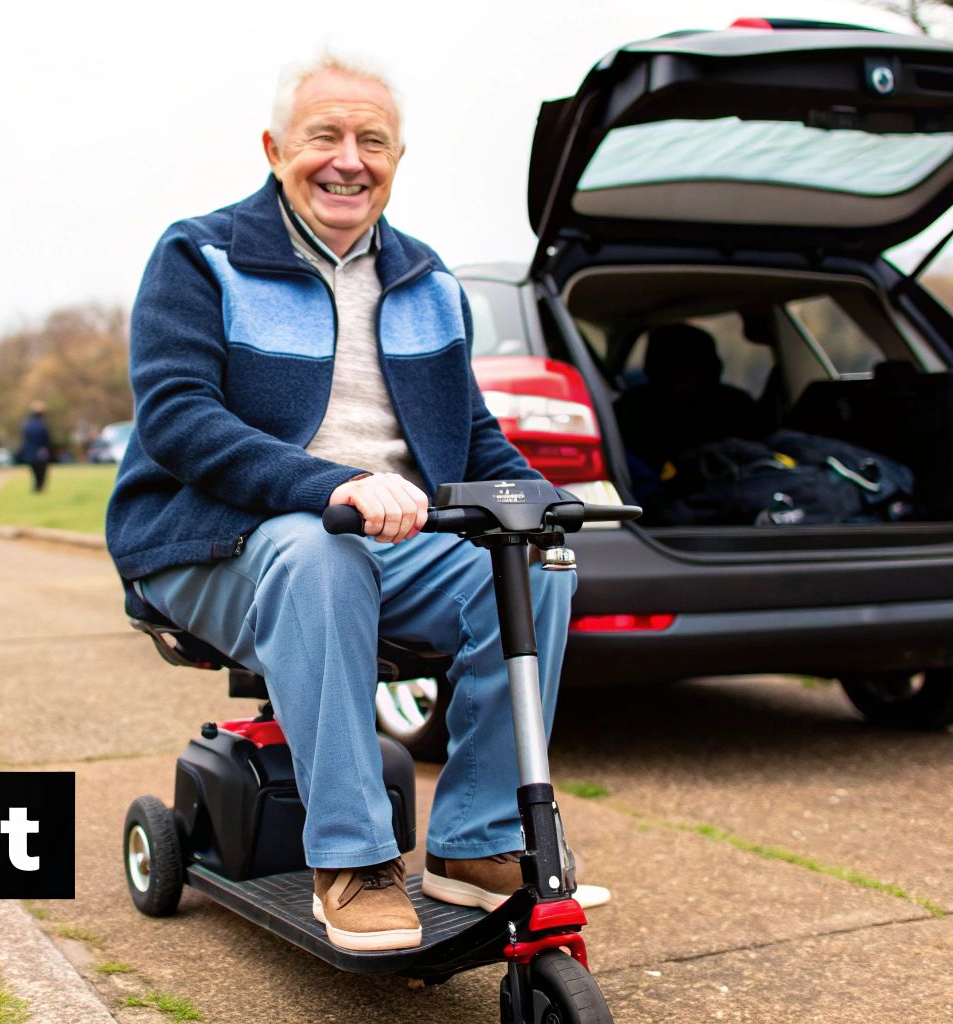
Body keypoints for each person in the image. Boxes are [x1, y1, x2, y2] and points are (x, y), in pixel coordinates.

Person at [106, 51, 605, 953]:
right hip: (210, 540)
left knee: (533, 563)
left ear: (398, 157)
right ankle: (352, 859)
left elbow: (472, 437)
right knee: (316, 548)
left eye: (371, 140)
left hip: (378, 536)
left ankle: (478, 840)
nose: (349, 159)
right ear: (274, 148)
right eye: (323, 136)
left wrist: (547, 496)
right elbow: (179, 421)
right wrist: (328, 483)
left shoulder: (424, 278)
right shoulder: (201, 254)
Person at [614, 322, 772, 476]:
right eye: (672, 369)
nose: (681, 379)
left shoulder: (735, 405)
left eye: (688, 368)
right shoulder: (633, 411)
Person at [18, 401, 53, 493]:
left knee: (34, 472)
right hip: (40, 452)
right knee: (41, 472)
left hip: (29, 452)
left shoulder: (27, 424)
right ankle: (39, 489)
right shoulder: (41, 425)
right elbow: (46, 439)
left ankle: (36, 488)